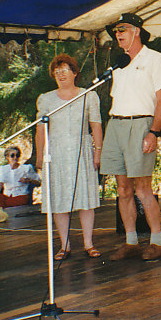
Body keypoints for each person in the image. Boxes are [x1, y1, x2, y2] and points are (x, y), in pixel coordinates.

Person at [101, 13, 161, 262]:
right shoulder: (118, 63)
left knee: (142, 188)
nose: (118, 34)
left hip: (141, 124)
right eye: (116, 31)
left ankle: (156, 241)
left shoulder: (154, 58)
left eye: (123, 29)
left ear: (137, 31)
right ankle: (131, 241)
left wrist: (154, 131)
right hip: (116, 124)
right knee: (122, 189)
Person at [35, 54, 103, 259]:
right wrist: (39, 156)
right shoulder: (46, 98)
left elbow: (96, 125)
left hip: (82, 150)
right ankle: (64, 245)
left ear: (74, 73)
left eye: (65, 70)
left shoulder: (88, 95)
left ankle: (89, 244)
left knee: (85, 198)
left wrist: (98, 152)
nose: (61, 75)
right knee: (59, 199)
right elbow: (40, 129)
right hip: (56, 153)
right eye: (57, 72)